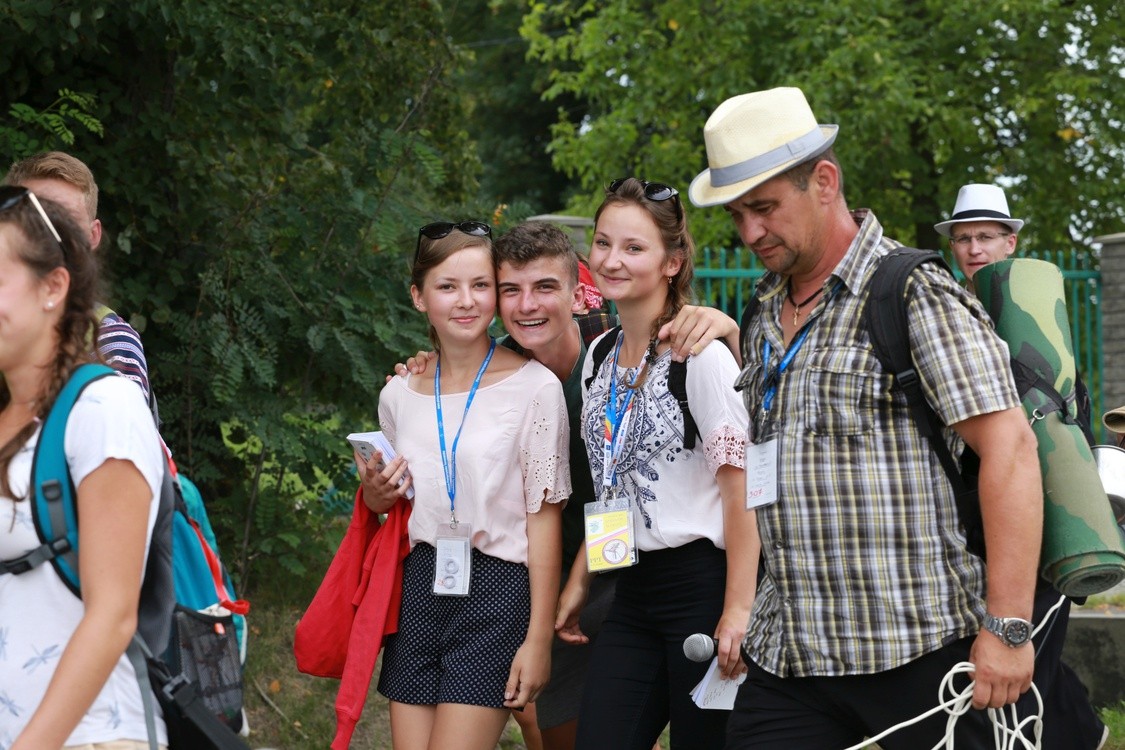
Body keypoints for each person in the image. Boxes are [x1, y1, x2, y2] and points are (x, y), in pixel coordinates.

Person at [688, 87, 1044, 749]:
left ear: (823, 182)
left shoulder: (910, 291)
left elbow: (1010, 448)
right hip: (790, 653)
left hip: (918, 647)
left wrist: (1007, 628)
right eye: (736, 215)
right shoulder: (763, 311)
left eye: (764, 208)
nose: (749, 233)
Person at [392, 219, 742, 750]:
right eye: (510, 290)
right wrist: (426, 369)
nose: (527, 305)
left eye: (545, 288)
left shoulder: (611, 352)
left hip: (631, 557)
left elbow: (710, 421)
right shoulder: (497, 370)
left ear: (579, 295)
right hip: (556, 565)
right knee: (550, 722)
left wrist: (727, 328)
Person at [555, 177, 758, 750]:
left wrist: (738, 610)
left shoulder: (701, 357)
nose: (611, 260)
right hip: (630, 589)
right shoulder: (599, 355)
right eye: (603, 243)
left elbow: (742, 493)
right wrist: (581, 580)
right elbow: (612, 481)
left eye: (633, 247)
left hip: (702, 587)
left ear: (672, 262)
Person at [358, 220, 569, 750]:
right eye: (447, 286)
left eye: (480, 285)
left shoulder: (535, 388)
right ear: (418, 296)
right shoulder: (397, 395)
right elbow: (396, 504)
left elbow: (544, 520)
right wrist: (375, 495)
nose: (466, 301)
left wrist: (538, 638)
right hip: (419, 589)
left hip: (499, 592)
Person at [936, 182, 1107, 748]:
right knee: (1028, 645)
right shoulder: (943, 310)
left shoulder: (1034, 310)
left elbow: (1063, 406)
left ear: (1010, 242)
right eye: (963, 238)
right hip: (970, 508)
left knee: (1031, 638)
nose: (974, 248)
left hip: (1038, 495)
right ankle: (1083, 733)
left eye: (986, 236)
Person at [0, 187, 166, 748]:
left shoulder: (103, 407)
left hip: (90, 736)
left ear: (53, 287)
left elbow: (113, 616)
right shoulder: (8, 417)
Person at [4, 152, 158, 421]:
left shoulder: (110, 341)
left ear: (93, 235)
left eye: (66, 222)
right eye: (33, 220)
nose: (50, 236)